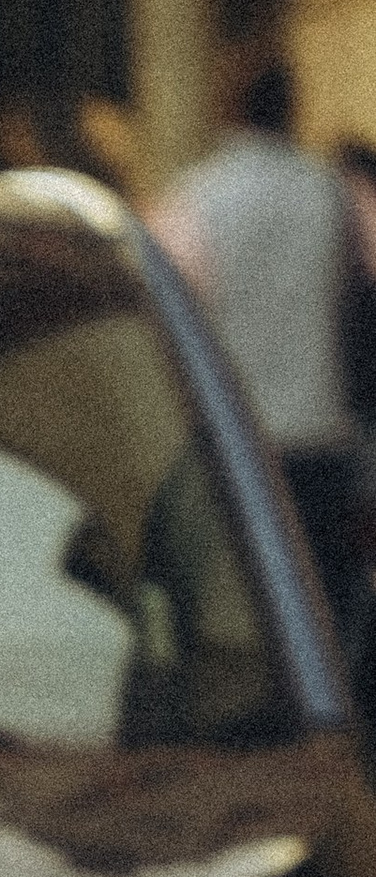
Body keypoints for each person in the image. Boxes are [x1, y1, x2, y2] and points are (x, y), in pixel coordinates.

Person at [149, 58, 365, 638]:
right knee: (324, 615)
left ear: (230, 111)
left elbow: (164, 305)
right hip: (320, 436)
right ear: (291, 111)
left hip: (237, 441)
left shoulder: (200, 196)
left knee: (248, 619)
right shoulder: (330, 193)